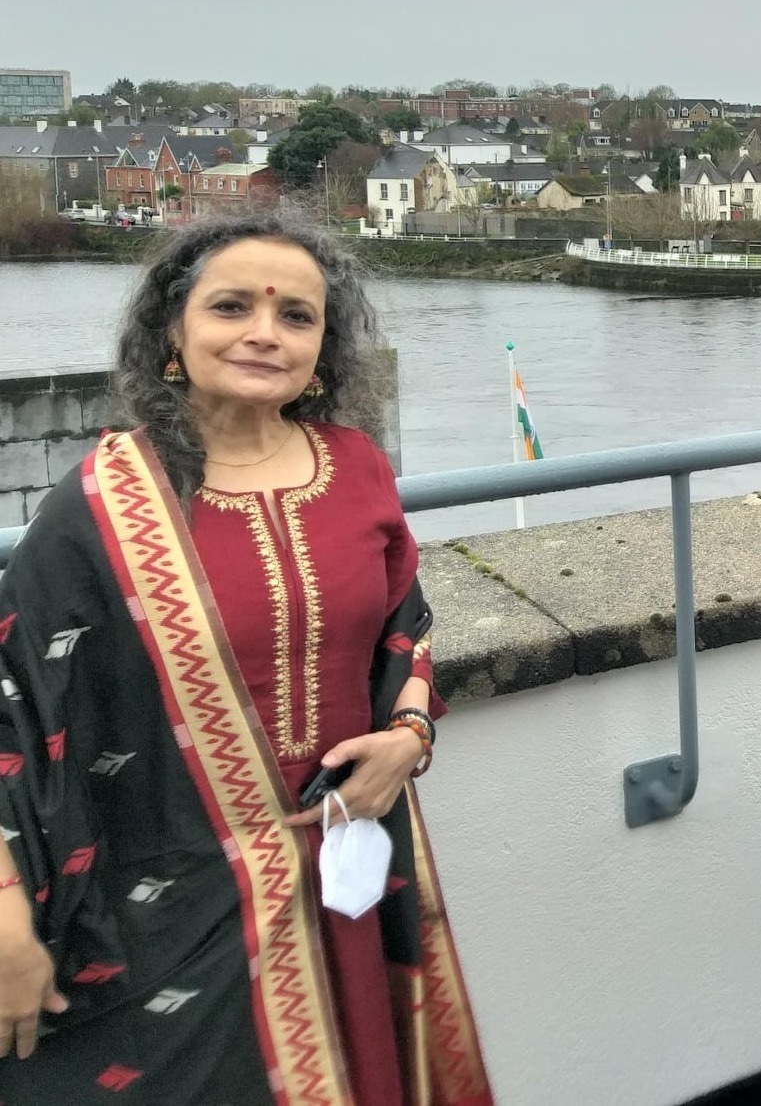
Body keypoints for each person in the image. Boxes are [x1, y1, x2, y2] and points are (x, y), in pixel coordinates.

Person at [0, 217, 493, 1105]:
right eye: (231, 306)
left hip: (345, 873)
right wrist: (3, 918)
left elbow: (406, 624)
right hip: (169, 901)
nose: (265, 332)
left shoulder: (356, 468)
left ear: (322, 351)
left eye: (297, 317)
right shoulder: (101, 506)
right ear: (172, 337)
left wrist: (409, 737)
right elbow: (14, 707)